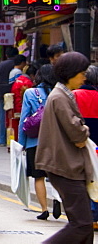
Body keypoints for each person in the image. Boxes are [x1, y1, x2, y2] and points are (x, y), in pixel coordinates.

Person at [36, 51, 92, 242]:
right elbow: (76, 132)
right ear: (71, 72)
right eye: (82, 73)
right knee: (82, 223)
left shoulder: (62, 94)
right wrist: (84, 129)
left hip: (67, 165)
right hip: (65, 166)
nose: (85, 77)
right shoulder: (60, 97)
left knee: (84, 225)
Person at [20, 64, 59, 220]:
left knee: (39, 177)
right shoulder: (59, 94)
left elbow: (24, 119)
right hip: (55, 142)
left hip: (34, 142)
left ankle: (44, 209)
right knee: (57, 175)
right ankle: (57, 199)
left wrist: (21, 143)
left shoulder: (30, 93)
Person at [73, 65, 98, 229]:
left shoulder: (73, 96)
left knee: (81, 179)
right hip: (97, 145)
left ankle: (86, 214)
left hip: (79, 144)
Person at [0, 46, 19, 146]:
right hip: (16, 92)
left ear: (6, 54)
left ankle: (2, 139)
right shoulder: (18, 65)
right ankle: (14, 139)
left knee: (3, 116)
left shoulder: (1, 65)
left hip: (3, 93)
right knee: (14, 116)